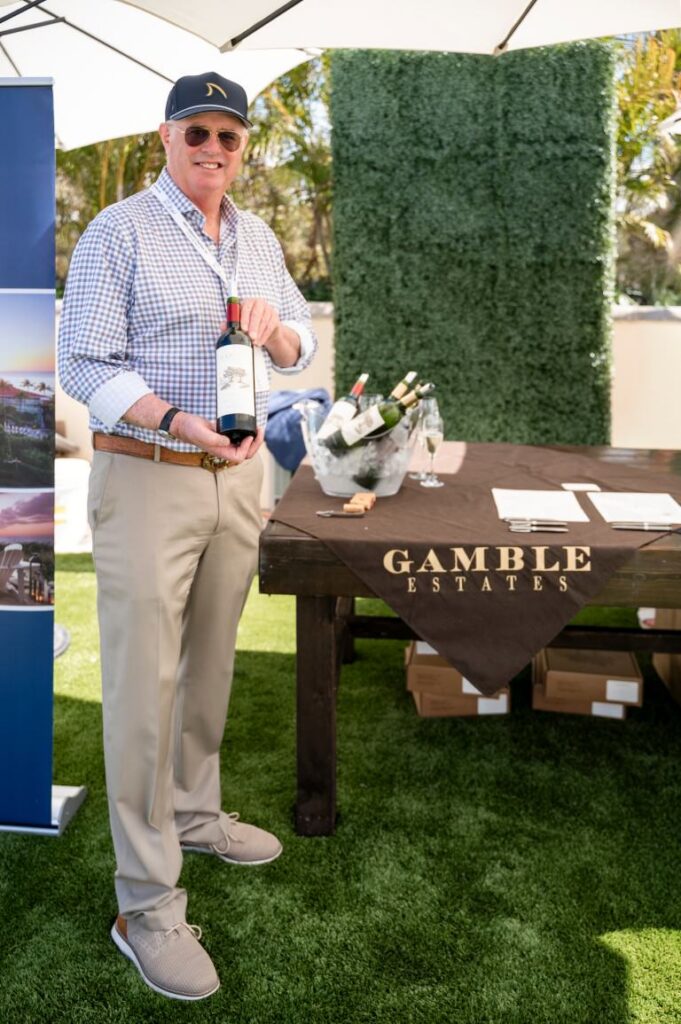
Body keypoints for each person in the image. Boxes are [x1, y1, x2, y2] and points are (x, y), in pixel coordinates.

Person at [58, 71, 317, 1001]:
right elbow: (84, 363)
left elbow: (301, 342)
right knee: (142, 690)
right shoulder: (118, 231)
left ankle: (196, 815)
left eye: (228, 136)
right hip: (150, 476)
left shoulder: (258, 238)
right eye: (195, 132)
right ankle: (144, 906)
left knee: (210, 664)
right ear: (165, 137)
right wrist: (175, 420)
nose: (212, 148)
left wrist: (278, 335)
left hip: (238, 480)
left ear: (243, 148)